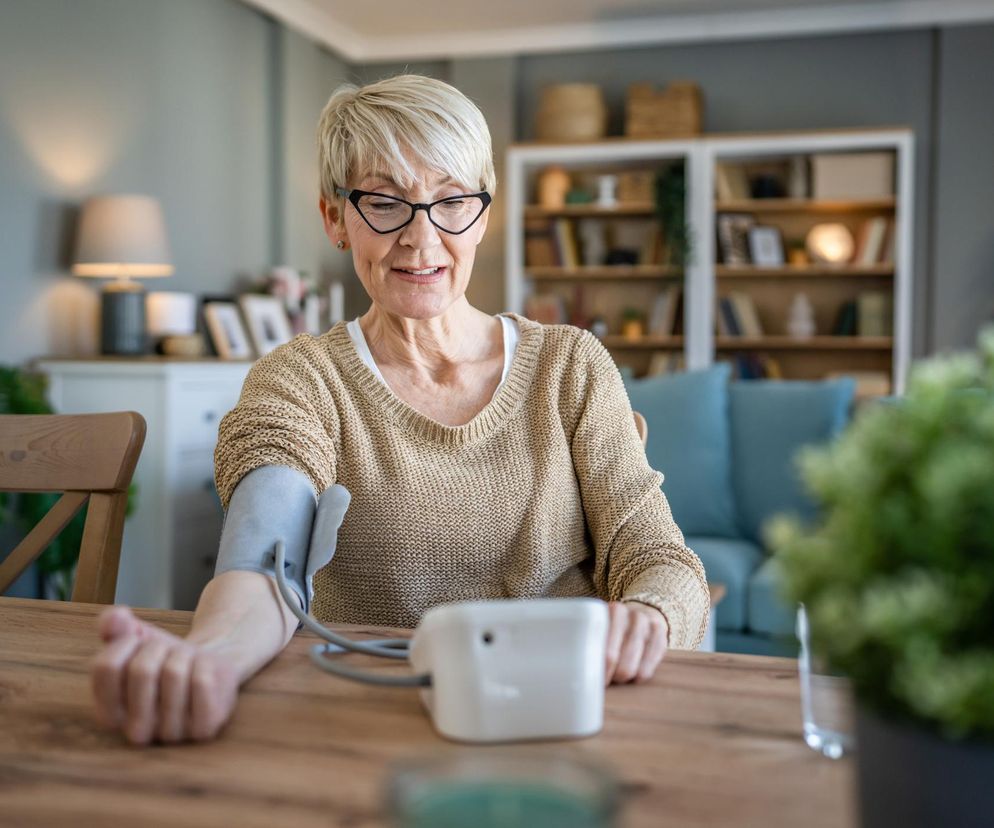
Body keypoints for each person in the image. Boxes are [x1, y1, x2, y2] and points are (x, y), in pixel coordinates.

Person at [91, 74, 710, 745]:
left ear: (483, 213)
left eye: (450, 201)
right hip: (368, 727)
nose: (421, 239)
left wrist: (648, 616)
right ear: (335, 218)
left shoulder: (571, 366)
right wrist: (211, 655)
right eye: (385, 203)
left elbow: (657, 557)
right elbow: (264, 562)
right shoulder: (301, 378)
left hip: (560, 714)